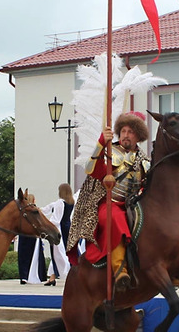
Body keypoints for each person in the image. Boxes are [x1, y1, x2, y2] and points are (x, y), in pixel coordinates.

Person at [66, 112, 149, 291]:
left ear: (139, 136)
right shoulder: (112, 153)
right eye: (123, 131)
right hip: (110, 203)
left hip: (134, 206)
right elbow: (91, 169)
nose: (126, 135)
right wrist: (101, 143)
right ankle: (120, 269)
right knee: (114, 218)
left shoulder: (144, 161)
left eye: (131, 131)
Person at [40, 183, 74, 286]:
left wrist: (46, 225)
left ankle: (68, 273)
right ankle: (52, 278)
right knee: (59, 254)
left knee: (59, 254)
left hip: (59, 230)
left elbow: (56, 219)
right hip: (68, 228)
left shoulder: (60, 202)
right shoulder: (71, 202)